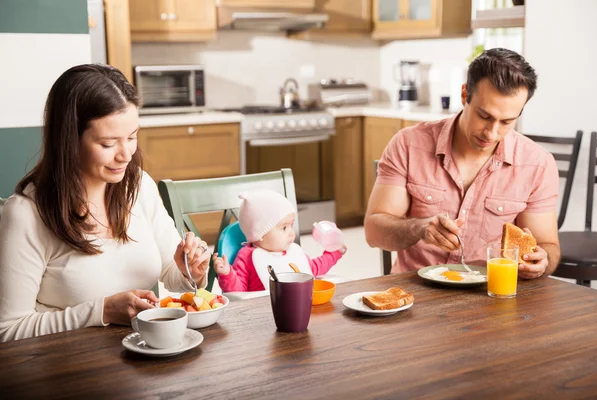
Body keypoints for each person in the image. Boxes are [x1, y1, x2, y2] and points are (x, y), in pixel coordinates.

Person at [0, 64, 210, 342]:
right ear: (69, 140)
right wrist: (102, 311)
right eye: (109, 144)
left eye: (132, 137)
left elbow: (170, 273)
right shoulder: (26, 214)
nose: (126, 155)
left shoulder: (138, 185)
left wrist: (188, 270)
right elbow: (8, 329)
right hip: (67, 370)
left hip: (144, 360)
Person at [364, 48, 560, 279]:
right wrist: (419, 228)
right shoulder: (409, 144)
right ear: (465, 94)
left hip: (490, 294)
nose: (492, 133)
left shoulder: (537, 163)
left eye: (507, 121)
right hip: (416, 292)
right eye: (484, 116)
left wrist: (541, 262)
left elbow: (548, 247)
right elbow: (374, 232)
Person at [213, 189, 346, 292]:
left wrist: (334, 253)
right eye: (283, 228)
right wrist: (227, 274)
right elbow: (239, 290)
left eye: (291, 225)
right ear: (261, 234)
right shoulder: (247, 256)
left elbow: (314, 269)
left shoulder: (292, 251)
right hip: (262, 314)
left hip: (298, 307)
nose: (291, 232)